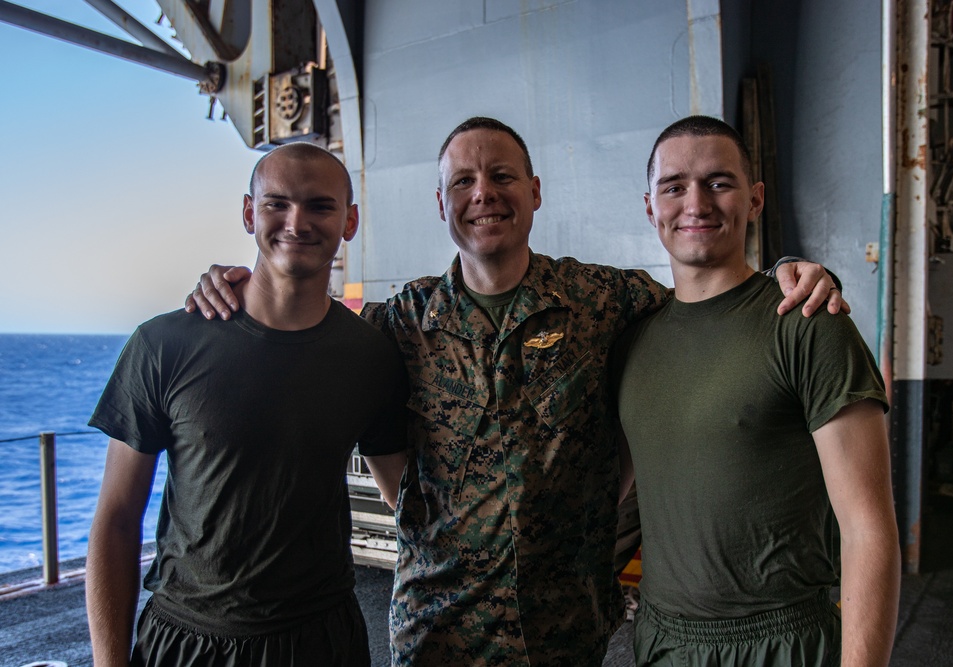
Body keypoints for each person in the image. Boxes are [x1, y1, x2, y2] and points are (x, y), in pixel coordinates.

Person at [186, 117, 846, 666]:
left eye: (503, 176)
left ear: (534, 191)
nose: (485, 194)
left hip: (564, 636)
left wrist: (791, 272)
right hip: (436, 636)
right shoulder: (399, 322)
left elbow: (709, 301)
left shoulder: (605, 299)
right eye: (464, 182)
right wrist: (231, 285)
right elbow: (323, 371)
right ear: (441, 204)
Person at [85, 143, 409, 666]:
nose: (296, 221)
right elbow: (118, 518)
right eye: (276, 203)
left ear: (349, 221)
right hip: (186, 641)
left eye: (320, 206)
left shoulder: (371, 355)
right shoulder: (163, 344)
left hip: (321, 641)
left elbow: (407, 499)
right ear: (247, 213)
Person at [613, 115, 900, 666]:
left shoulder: (810, 322)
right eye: (674, 187)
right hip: (661, 641)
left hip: (782, 643)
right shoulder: (631, 338)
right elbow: (618, 491)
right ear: (650, 206)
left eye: (719, 182)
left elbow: (868, 528)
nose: (695, 204)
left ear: (755, 199)